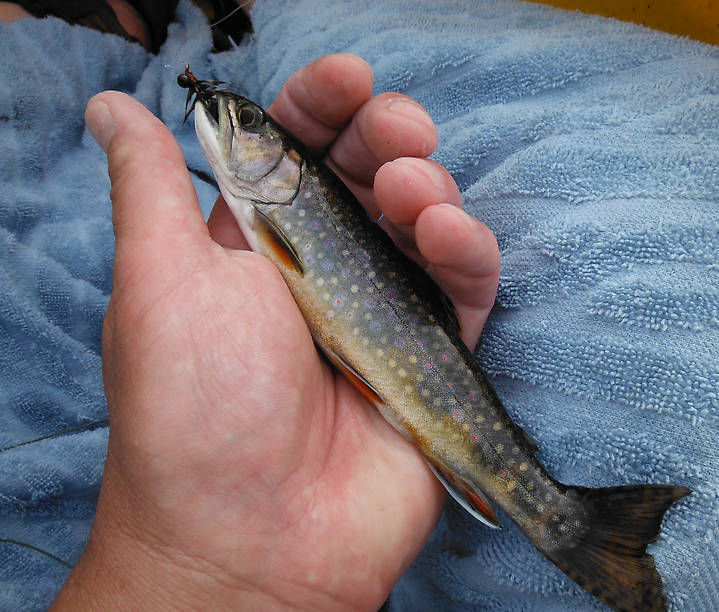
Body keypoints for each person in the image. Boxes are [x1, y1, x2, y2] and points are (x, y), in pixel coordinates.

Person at [49, 53, 501, 610]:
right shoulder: (266, 209)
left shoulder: (274, 210)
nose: (239, 123)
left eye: (254, 127)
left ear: (287, 166)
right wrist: (170, 558)